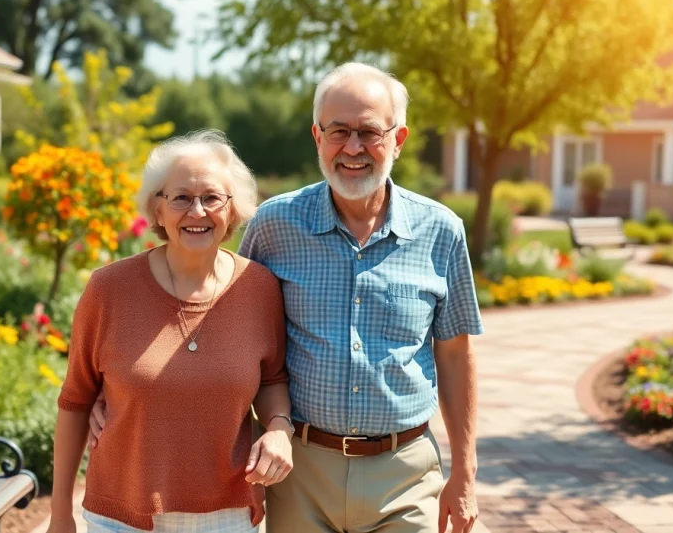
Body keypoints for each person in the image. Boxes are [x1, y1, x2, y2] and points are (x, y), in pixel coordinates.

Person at [89, 62, 484, 533]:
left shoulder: (442, 231)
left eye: (369, 132)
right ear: (317, 136)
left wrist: (466, 473)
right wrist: (122, 392)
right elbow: (219, 322)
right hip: (298, 472)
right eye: (338, 131)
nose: (353, 147)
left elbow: (456, 355)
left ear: (397, 139)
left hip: (405, 471)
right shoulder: (275, 226)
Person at [48, 129, 296, 533]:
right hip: (121, 517)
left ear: (233, 210)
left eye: (212, 197)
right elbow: (76, 401)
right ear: (157, 210)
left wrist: (280, 428)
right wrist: (60, 515)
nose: (197, 211)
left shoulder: (260, 288)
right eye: (181, 197)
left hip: (227, 517)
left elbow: (272, 378)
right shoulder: (108, 290)